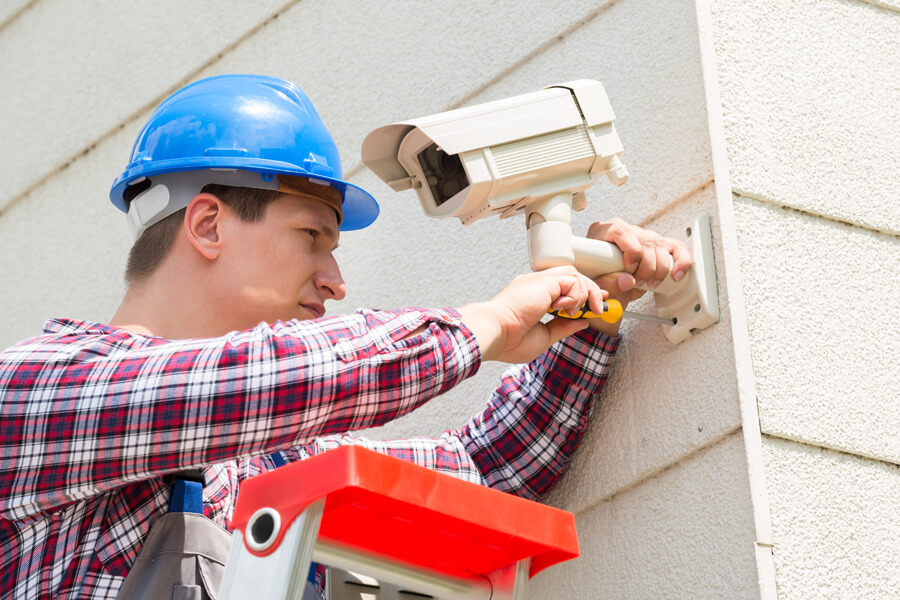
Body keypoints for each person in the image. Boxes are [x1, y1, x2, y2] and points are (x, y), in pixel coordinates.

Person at [0, 75, 690, 599]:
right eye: (311, 238)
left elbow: (490, 469)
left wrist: (597, 306)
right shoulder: (32, 393)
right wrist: (488, 324)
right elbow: (261, 381)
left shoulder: (266, 465)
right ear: (207, 225)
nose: (334, 281)